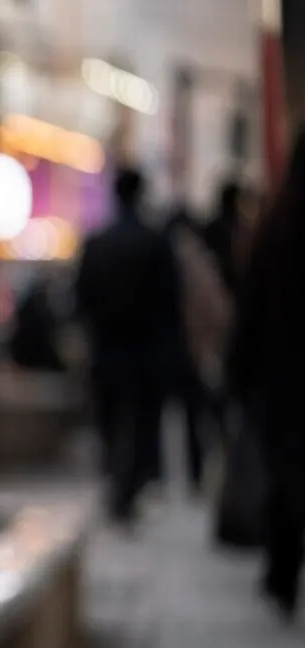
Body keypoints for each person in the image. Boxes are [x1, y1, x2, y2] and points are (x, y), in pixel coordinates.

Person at [74, 166, 182, 523]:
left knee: (112, 420)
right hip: (146, 351)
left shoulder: (98, 244)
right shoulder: (155, 243)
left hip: (108, 349)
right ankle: (129, 485)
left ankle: (118, 484)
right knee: (141, 422)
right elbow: (170, 302)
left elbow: (82, 299)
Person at [228, 130, 305, 620]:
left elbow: (250, 312)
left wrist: (240, 376)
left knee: (286, 478)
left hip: (282, 380)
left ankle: (281, 575)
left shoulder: (275, 229)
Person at [165, 207, 233, 491]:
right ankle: (206, 472)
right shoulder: (198, 260)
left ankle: (193, 474)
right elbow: (218, 310)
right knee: (204, 414)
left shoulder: (167, 257)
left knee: (189, 414)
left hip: (177, 348)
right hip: (199, 349)